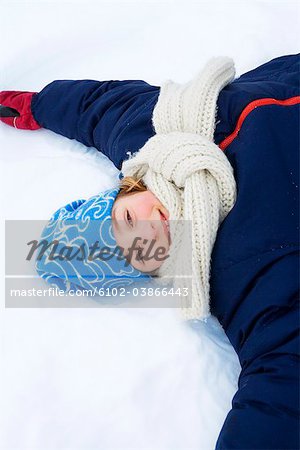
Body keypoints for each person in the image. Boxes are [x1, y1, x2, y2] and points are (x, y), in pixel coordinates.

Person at [1, 54, 299, 449]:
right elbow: (282, 373)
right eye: (142, 252)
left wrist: (36, 105)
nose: (150, 232)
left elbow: (96, 106)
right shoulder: (234, 269)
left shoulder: (151, 132)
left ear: (126, 189)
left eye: (127, 221)